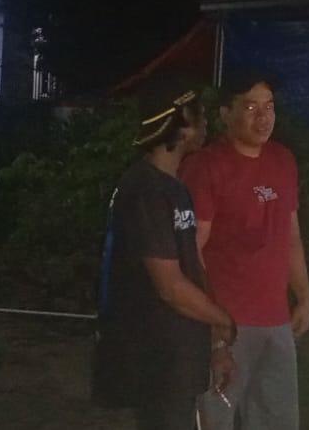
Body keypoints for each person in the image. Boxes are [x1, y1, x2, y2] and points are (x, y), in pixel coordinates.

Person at [93, 78, 238, 430]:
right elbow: (170, 286)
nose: (206, 123)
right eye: (199, 114)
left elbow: (191, 270)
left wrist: (215, 344)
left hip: (176, 359)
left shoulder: (173, 187)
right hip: (155, 360)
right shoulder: (145, 190)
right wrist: (223, 320)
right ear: (182, 123)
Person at [182, 70, 309, 430]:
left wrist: (304, 295)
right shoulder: (206, 166)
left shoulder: (283, 161)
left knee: (276, 420)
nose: (263, 117)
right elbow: (192, 249)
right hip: (228, 322)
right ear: (225, 113)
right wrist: (212, 324)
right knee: (215, 418)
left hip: (276, 320)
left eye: (269, 106)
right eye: (251, 107)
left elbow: (291, 235)